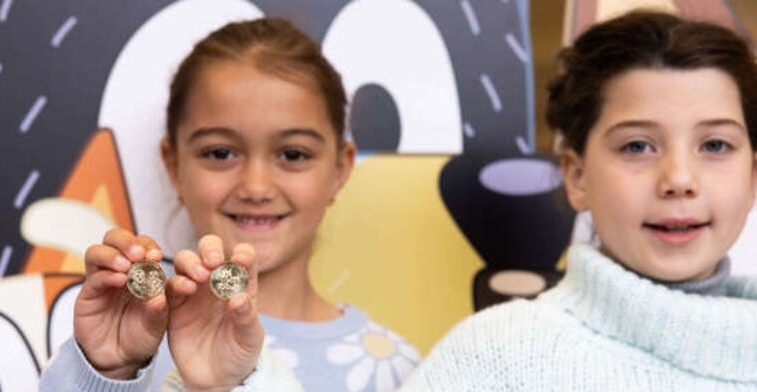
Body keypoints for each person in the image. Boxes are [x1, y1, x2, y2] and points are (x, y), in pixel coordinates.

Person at [165, 10, 757, 391]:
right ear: (574, 174)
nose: (679, 178)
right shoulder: (494, 359)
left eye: (715, 144)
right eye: (637, 145)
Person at [39, 17, 419, 392]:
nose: (256, 187)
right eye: (220, 152)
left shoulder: (398, 369)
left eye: (293, 154)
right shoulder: (128, 345)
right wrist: (107, 374)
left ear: (339, 168)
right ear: (174, 165)